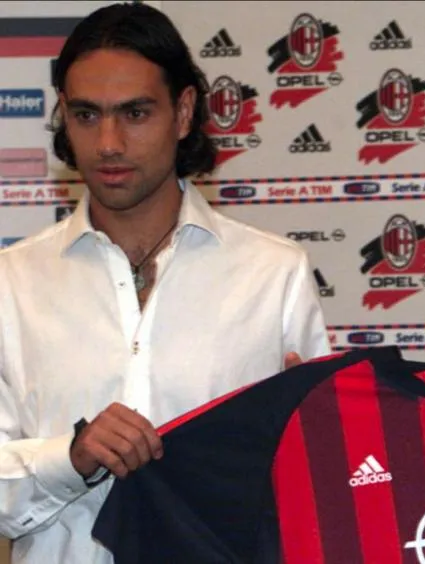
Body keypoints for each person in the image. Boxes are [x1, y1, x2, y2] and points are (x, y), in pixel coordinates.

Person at [0, 4, 330, 563]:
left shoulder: (274, 273)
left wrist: (308, 439)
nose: (108, 142)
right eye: (86, 114)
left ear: (182, 112)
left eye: (135, 113)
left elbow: (325, 482)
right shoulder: (12, 282)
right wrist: (70, 458)